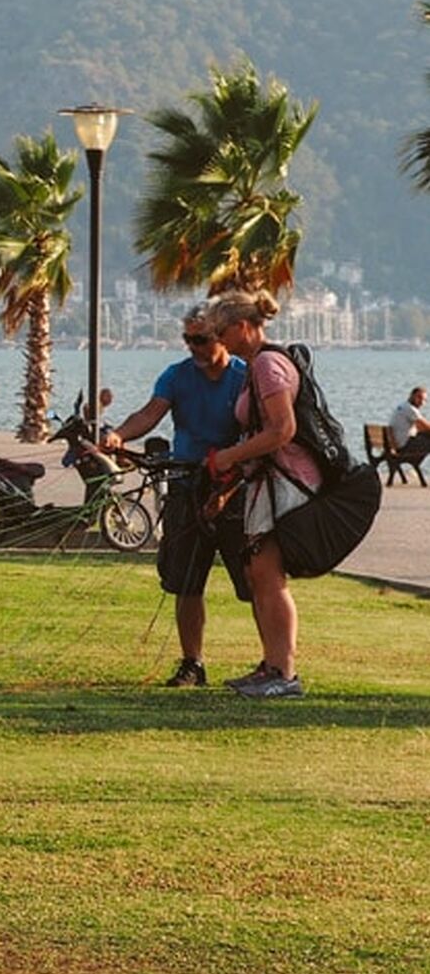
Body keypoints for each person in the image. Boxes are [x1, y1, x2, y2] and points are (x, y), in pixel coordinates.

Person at [100, 306, 249, 688]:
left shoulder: (244, 378)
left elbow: (256, 436)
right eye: (187, 339)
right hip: (186, 486)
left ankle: (273, 663)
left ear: (222, 337)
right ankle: (192, 663)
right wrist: (119, 435)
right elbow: (150, 414)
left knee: (255, 581)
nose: (193, 347)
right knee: (186, 581)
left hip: (235, 487)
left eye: (200, 339)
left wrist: (228, 485)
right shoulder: (177, 376)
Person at [206, 289, 314, 699]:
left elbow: (282, 429)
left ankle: (284, 673)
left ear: (242, 327)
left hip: (284, 480)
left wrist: (229, 456)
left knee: (269, 576)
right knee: (258, 574)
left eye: (221, 330)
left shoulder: (268, 365)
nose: (218, 340)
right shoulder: (257, 365)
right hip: (263, 481)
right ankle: (272, 664)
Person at [388, 385, 430, 464]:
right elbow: (425, 426)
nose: (421, 402)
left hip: (397, 444)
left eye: (424, 400)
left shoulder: (402, 406)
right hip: (404, 447)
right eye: (419, 398)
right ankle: (416, 463)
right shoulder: (410, 409)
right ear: (412, 395)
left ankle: (417, 464)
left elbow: (421, 427)